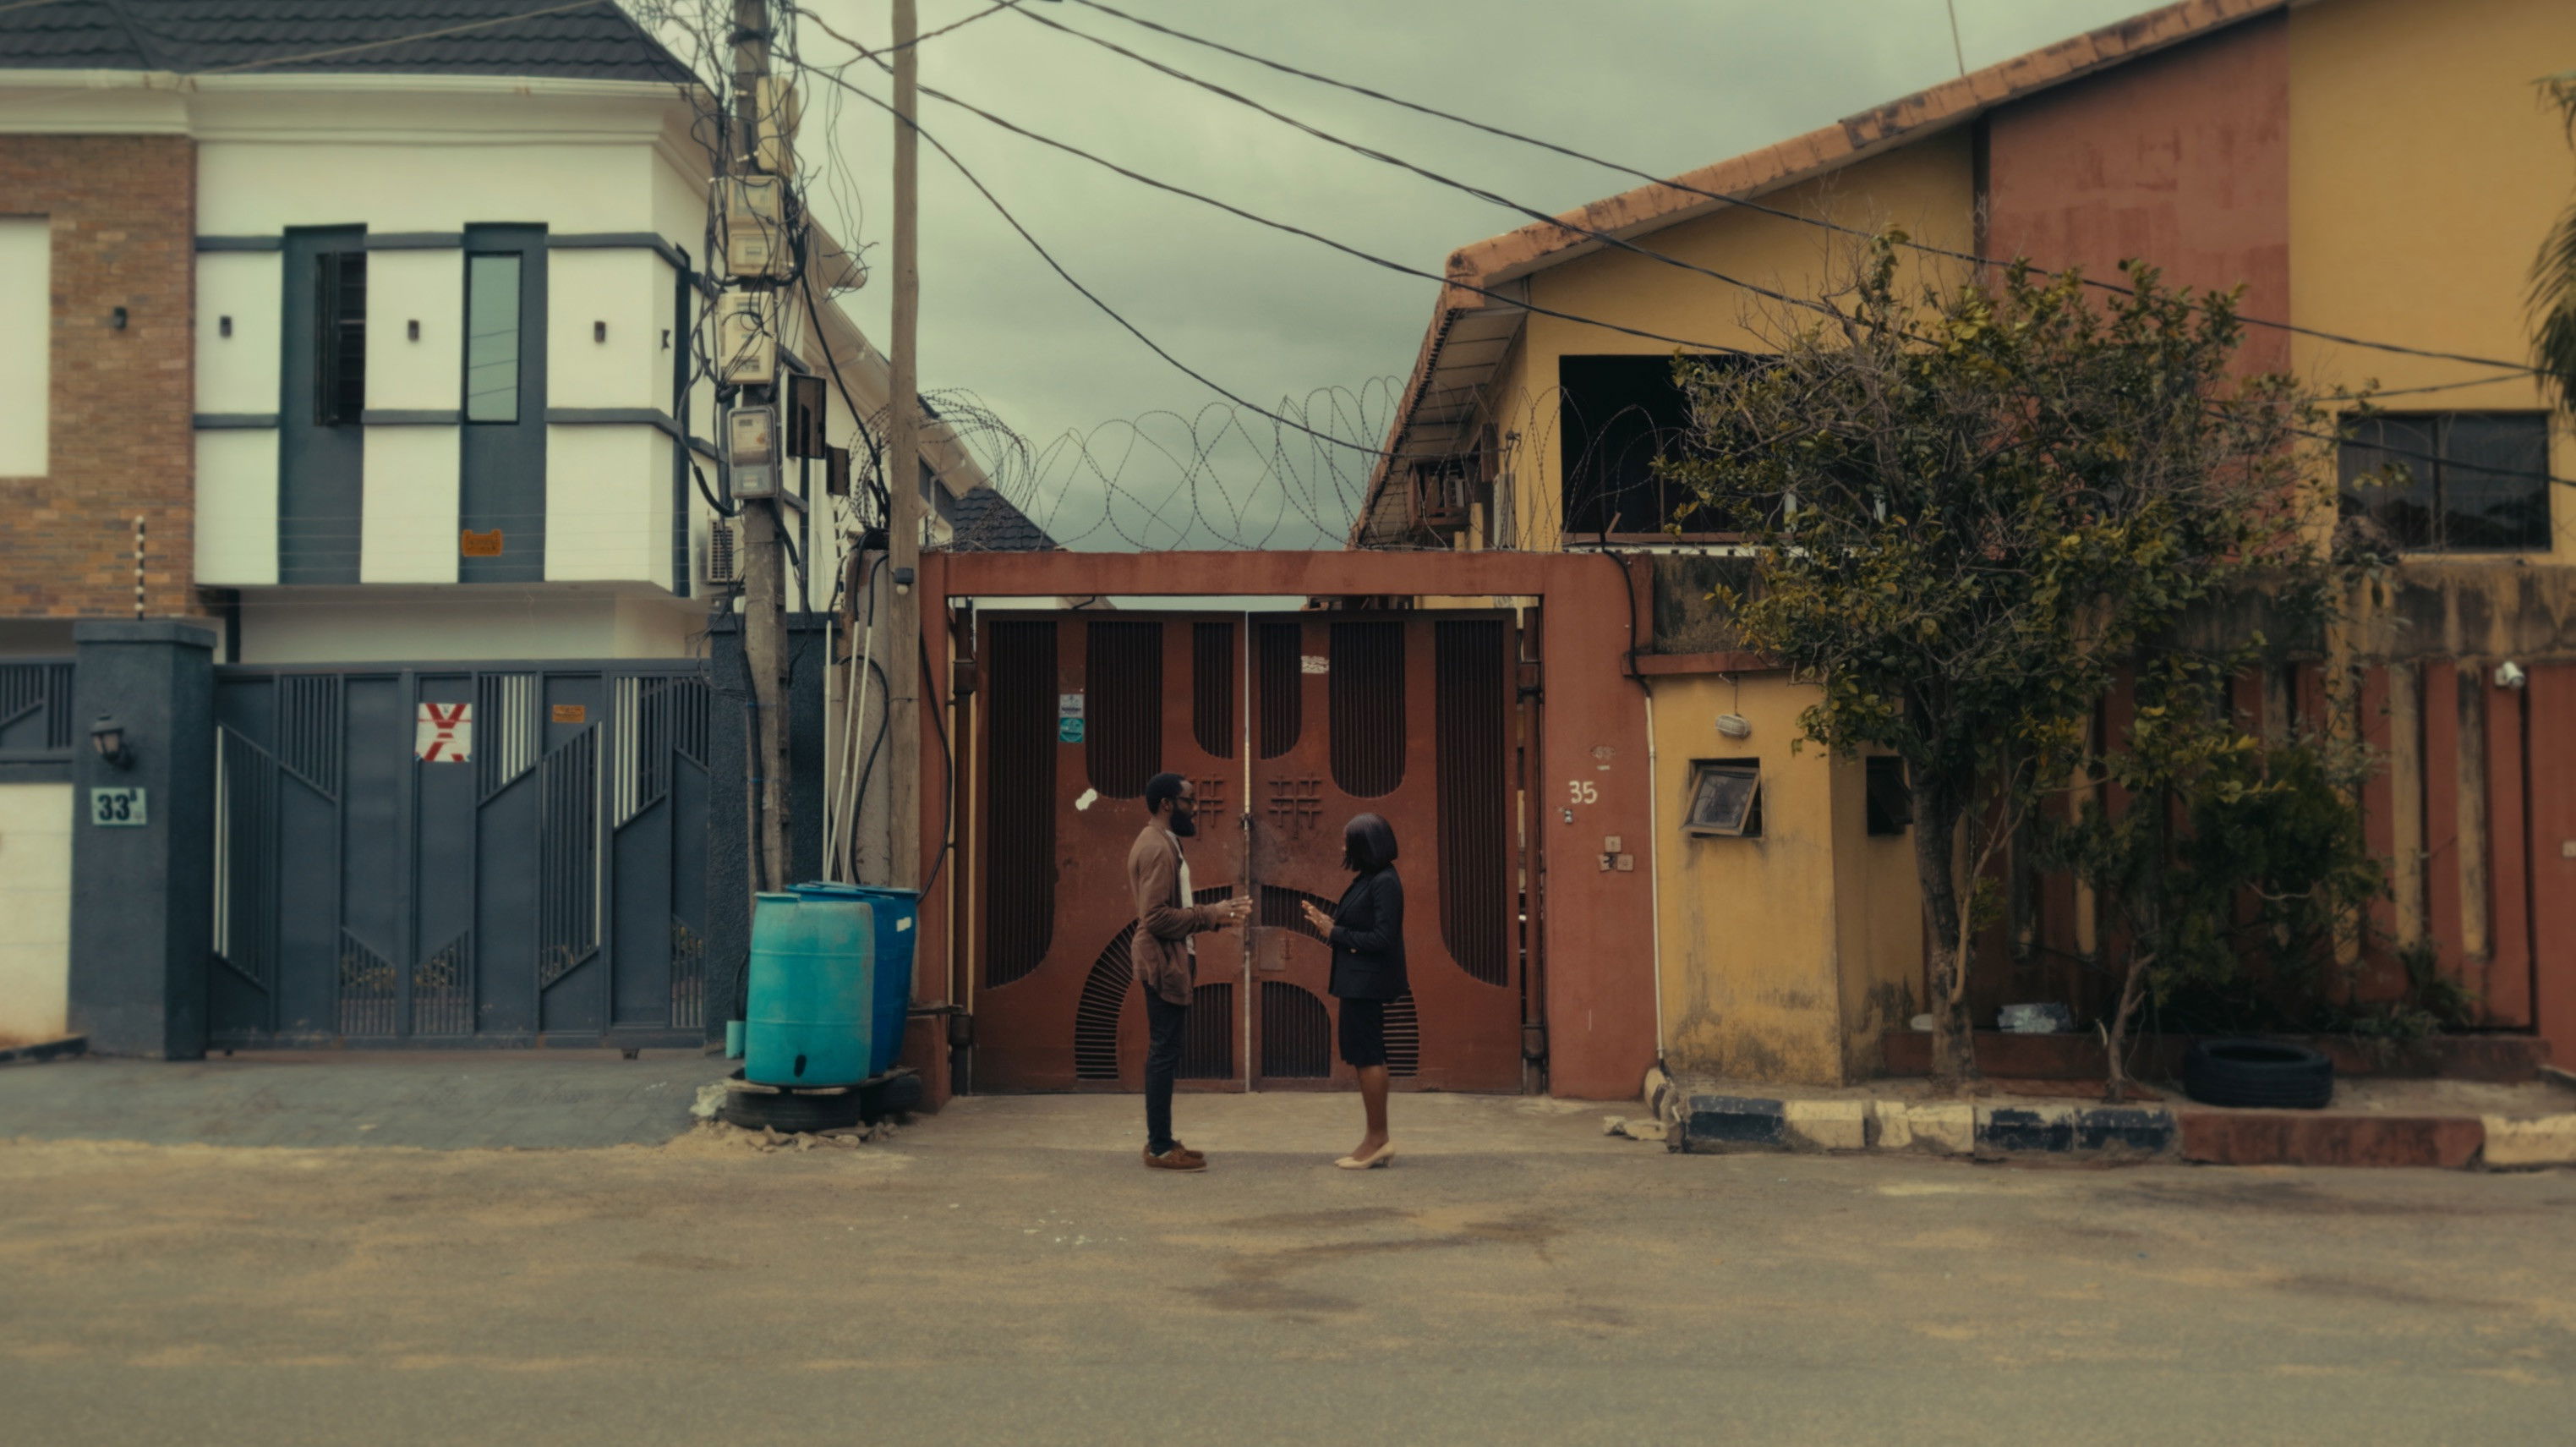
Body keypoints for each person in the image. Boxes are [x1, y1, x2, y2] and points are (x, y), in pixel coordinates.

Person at [1129, 770, 1250, 1171]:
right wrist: (1210, 913)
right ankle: (1160, 1147)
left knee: (1166, 1050)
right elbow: (1155, 917)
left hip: (1170, 958)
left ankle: (1162, 1140)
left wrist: (1213, 918)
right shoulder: (1157, 848)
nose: (1195, 808)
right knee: (1163, 1052)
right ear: (1167, 804)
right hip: (1162, 961)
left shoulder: (1164, 842)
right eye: (1189, 800)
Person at [1299, 814, 1406, 1170]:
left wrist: (1335, 932)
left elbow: (1383, 938)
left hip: (1367, 984)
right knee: (1364, 1055)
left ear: (1364, 845)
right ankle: (1376, 1139)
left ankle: (1378, 1140)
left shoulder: (1385, 882)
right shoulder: (1369, 879)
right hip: (1357, 982)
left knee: (1369, 1056)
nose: (1342, 847)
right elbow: (1360, 929)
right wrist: (1329, 925)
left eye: (1348, 841)